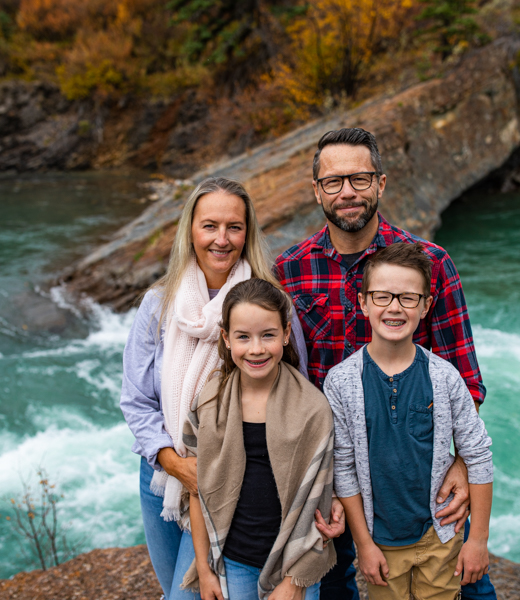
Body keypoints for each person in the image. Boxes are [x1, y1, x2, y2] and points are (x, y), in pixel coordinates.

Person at [273, 128, 496, 600]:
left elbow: (466, 380)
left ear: (381, 183)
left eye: (360, 178)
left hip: (417, 467)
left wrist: (459, 460)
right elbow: (279, 375)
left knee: (470, 585)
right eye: (334, 182)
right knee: (335, 584)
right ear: (316, 191)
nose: (348, 192)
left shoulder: (430, 263)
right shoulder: (289, 270)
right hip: (333, 468)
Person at [120, 177, 311, 600]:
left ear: (248, 233)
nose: (221, 239)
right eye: (210, 226)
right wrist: (175, 463)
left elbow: (299, 394)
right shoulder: (158, 304)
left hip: (232, 484)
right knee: (173, 586)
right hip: (163, 477)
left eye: (234, 227)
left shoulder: (272, 304)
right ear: (190, 229)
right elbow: (135, 399)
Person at [324, 243, 493, 600]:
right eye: (382, 296)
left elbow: (478, 455)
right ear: (362, 302)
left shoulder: (445, 378)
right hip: (380, 544)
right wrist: (363, 544)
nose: (395, 307)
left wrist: (477, 540)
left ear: (427, 305)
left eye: (408, 298)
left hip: (440, 536)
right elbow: (344, 468)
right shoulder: (340, 382)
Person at [180, 278, 337, 600]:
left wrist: (295, 580)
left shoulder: (312, 408)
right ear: (226, 338)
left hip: (293, 563)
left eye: (268, 335)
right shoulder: (208, 403)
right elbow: (197, 490)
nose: (256, 349)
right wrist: (205, 569)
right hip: (234, 560)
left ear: (286, 334)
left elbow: (317, 507)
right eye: (243, 337)